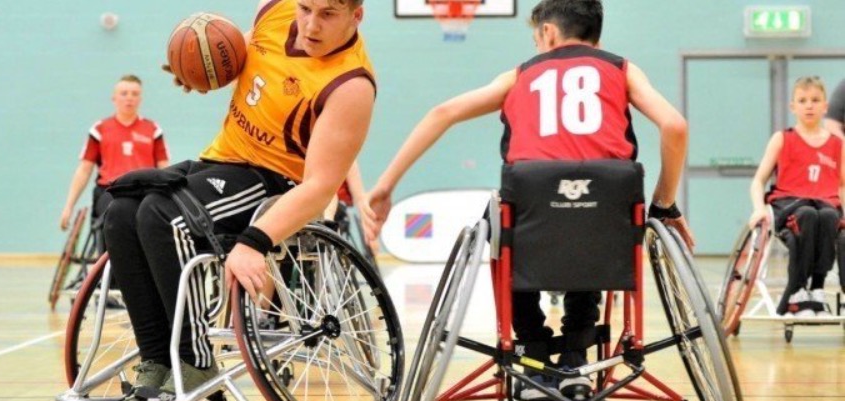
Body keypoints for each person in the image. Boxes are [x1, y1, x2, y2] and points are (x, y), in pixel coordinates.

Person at [363, 0, 691, 398]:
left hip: (533, 215)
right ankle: (576, 359)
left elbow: (442, 113)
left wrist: (386, 185)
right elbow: (674, 126)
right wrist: (664, 203)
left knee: (510, 226)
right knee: (591, 225)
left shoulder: (518, 76)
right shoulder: (622, 69)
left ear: (548, 32)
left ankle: (532, 352)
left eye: (536, 37)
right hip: (605, 221)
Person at [103, 0, 375, 398]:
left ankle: (196, 364)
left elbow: (319, 187)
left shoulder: (351, 86)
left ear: (356, 16)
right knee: (121, 212)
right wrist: (201, 67)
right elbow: (242, 55)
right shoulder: (275, 11)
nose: (311, 25)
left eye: (328, 14)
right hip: (220, 162)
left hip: (276, 183)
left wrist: (254, 242)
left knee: (162, 214)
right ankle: (157, 359)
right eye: (305, 8)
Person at [749, 76, 843, 318]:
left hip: (826, 205)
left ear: (825, 106)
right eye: (802, 100)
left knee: (829, 216)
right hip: (790, 205)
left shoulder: (838, 145)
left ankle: (817, 289)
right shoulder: (783, 138)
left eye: (815, 100)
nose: (809, 105)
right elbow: (758, 181)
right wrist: (758, 209)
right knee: (807, 214)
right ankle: (797, 291)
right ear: (793, 106)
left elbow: (842, 186)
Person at [59, 74, 169, 232]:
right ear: (114, 98)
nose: (129, 98)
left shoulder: (153, 129)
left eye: (135, 94)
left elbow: (164, 169)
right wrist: (69, 206)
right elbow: (84, 170)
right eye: (124, 93)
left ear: (140, 99)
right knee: (118, 213)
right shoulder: (99, 129)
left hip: (144, 192)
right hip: (110, 191)